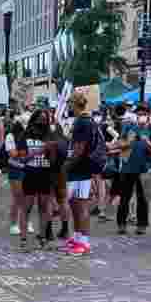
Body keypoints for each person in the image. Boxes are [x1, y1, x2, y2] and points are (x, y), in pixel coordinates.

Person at [19, 109, 61, 251]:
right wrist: (40, 150)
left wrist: (53, 150)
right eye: (40, 119)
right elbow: (23, 159)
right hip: (30, 174)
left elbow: (53, 161)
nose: (43, 122)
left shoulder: (50, 135)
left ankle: (42, 237)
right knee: (27, 208)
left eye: (45, 119)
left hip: (45, 174)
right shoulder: (25, 135)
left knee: (44, 208)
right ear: (34, 119)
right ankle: (24, 239)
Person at [115, 104, 151, 235]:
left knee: (143, 198)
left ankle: (142, 225)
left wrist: (148, 143)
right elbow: (120, 144)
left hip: (145, 168)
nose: (141, 116)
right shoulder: (129, 126)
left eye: (144, 114)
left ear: (149, 115)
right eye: (139, 114)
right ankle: (121, 224)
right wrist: (129, 142)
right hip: (128, 167)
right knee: (125, 196)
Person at [61, 90, 96, 256]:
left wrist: (65, 167)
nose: (67, 106)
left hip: (80, 170)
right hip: (80, 169)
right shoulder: (84, 120)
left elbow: (79, 150)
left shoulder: (83, 122)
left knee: (81, 206)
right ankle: (77, 237)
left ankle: (84, 242)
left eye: (69, 103)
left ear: (74, 104)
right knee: (75, 204)